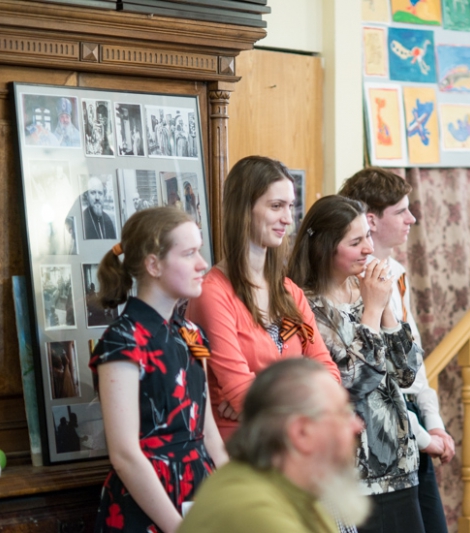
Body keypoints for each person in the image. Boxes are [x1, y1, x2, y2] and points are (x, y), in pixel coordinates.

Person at [288, 195, 424, 533]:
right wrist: (372, 311)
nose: (369, 249)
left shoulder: (368, 291)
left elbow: (407, 373)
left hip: (401, 466)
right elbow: (352, 383)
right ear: (325, 247)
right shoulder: (307, 306)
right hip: (353, 474)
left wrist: (384, 306)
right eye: (355, 242)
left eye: (368, 237)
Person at [88, 206, 228, 533]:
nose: (203, 264)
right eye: (189, 253)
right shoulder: (122, 339)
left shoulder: (192, 333)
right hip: (149, 503)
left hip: (200, 492)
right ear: (154, 265)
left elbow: (208, 434)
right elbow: (124, 454)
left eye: (200, 251)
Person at [186, 156, 340, 440]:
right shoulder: (212, 292)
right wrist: (298, 394)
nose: (288, 218)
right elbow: (240, 393)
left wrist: (261, 399)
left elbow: (330, 377)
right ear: (244, 210)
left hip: (292, 445)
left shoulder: (289, 291)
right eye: (276, 206)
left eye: (290, 206)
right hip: (242, 450)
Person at [339, 168, 455, 533]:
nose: (412, 218)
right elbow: (370, 379)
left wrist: (434, 423)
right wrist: (424, 437)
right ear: (372, 220)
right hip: (381, 432)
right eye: (401, 211)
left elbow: (411, 367)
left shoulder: (396, 273)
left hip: (412, 422)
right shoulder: (353, 284)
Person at [179, 358, 370, 533]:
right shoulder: (255, 511)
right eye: (343, 414)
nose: (357, 425)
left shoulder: (294, 487)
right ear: (301, 433)